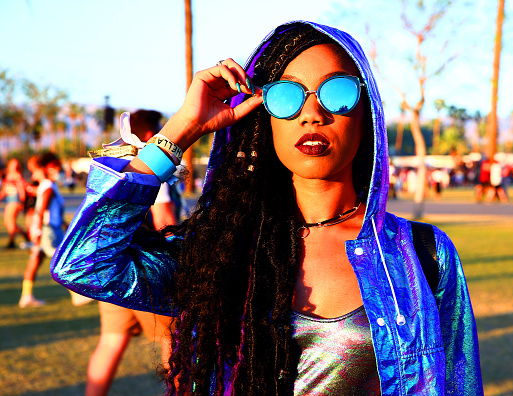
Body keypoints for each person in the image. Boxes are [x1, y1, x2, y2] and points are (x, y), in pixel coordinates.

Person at [52, 21, 483, 395]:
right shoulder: (219, 253)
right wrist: (180, 130)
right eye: (286, 97)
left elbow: (460, 385)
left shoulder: (422, 254)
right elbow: (84, 265)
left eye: (337, 93)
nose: (312, 114)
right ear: (264, 118)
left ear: (366, 111)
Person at [85, 109, 177, 396]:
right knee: (172, 343)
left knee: (110, 341)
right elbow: (165, 222)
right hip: (145, 271)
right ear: (152, 136)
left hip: (111, 266)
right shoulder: (149, 167)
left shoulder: (118, 167)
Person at [20, 152, 64, 307]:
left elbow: (50, 211)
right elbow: (41, 210)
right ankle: (79, 294)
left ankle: (26, 296)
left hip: (45, 228)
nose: (33, 174)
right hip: (48, 230)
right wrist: (37, 230)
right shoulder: (48, 186)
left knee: (35, 261)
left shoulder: (46, 186)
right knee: (63, 259)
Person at [0, 159, 30, 249]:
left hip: (15, 200)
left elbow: (21, 189)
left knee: (10, 221)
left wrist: (22, 201)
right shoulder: (9, 175)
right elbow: (5, 190)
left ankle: (11, 242)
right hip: (9, 200)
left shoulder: (17, 175)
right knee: (7, 222)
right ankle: (24, 234)